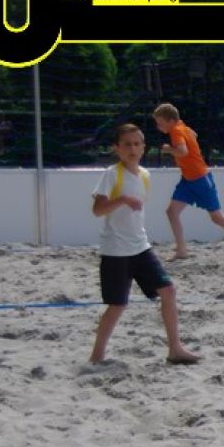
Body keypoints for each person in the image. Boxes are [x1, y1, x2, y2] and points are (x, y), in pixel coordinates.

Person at [89, 124, 200, 365]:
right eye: (127, 144)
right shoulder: (111, 174)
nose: (132, 148)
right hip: (115, 251)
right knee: (117, 306)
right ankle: (96, 356)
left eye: (137, 144)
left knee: (168, 291)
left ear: (143, 148)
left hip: (141, 247)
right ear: (117, 148)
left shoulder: (145, 175)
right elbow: (98, 210)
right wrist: (122, 199)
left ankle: (175, 349)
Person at [152, 103, 224, 262]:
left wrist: (168, 149)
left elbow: (182, 152)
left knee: (217, 217)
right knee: (172, 212)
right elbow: (193, 134)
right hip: (188, 180)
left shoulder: (176, 131)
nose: (159, 127)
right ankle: (181, 250)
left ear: (171, 121)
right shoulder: (182, 127)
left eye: (160, 123)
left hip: (200, 179)